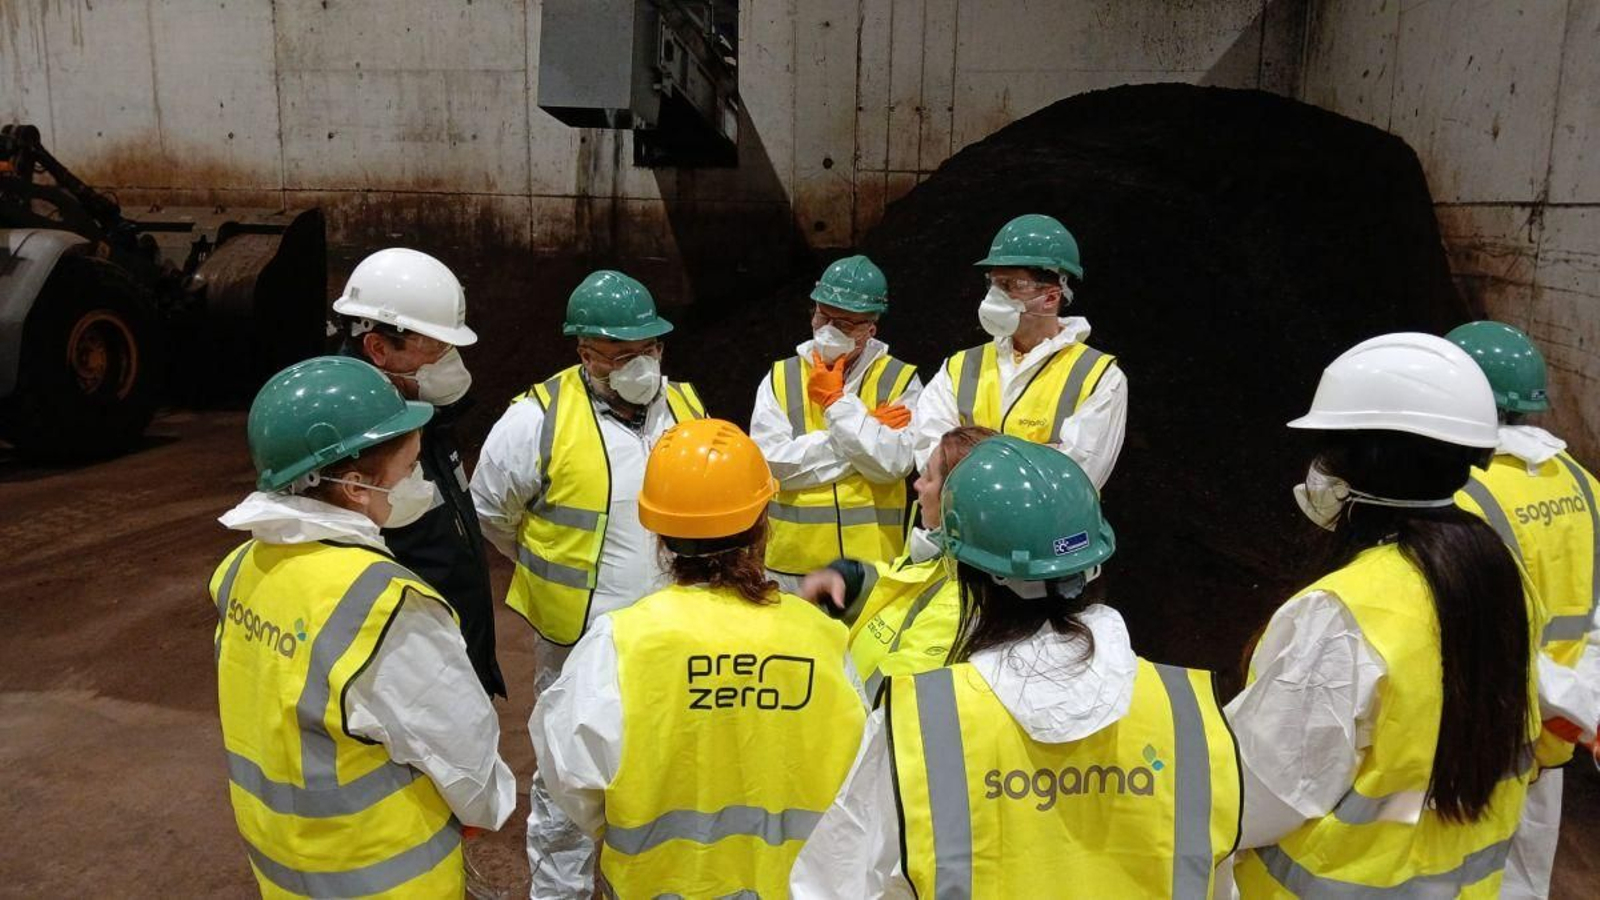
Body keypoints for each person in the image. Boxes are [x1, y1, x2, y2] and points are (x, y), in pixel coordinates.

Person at [793, 435, 1241, 898]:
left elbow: (832, 883)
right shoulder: (1191, 714)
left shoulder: (923, 723)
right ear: (1095, 565)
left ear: (963, 571)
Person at [1227, 333, 1540, 897]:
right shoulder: (1501, 573)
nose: (1318, 467)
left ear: (1370, 459)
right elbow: (1418, 779)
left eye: (1331, 448)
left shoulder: (1343, 613)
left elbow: (1260, 798)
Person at [210, 356, 515, 897]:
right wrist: (490, 803)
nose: (413, 484)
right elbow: (464, 759)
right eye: (406, 470)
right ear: (353, 486)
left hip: (287, 868)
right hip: (390, 876)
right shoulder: (383, 606)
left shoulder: (239, 572)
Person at [532, 418, 866, 897]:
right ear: (762, 523)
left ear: (659, 535)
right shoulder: (823, 638)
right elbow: (861, 779)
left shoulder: (621, 643)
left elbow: (572, 783)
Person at [468, 268, 706, 897]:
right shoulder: (535, 421)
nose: (642, 365)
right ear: (585, 353)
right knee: (567, 782)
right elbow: (492, 514)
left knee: (663, 770)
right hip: (576, 639)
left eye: (650, 349)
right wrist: (554, 567)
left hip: (671, 637)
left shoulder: (686, 407)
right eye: (623, 355)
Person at [1446, 320, 1600, 899]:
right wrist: (1577, 708)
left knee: (1453, 877)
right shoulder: (1585, 485)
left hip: (1474, 741)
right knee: (1522, 882)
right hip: (1550, 742)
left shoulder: (1461, 494)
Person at [332, 247, 504, 698]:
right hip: (410, 684)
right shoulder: (351, 451)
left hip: (455, 667)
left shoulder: (427, 417)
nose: (450, 361)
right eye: (436, 347)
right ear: (378, 348)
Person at [912, 214, 1126, 489]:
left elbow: (1073, 479)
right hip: (965, 529)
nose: (994, 297)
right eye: (993, 283)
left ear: (1051, 296)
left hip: (1047, 532)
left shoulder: (1099, 376)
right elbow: (931, 458)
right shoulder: (960, 366)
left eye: (1012, 285)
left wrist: (966, 454)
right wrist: (1039, 454)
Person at [751, 255, 922, 590]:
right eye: (822, 316)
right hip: (792, 568)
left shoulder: (899, 380)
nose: (828, 330)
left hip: (873, 569)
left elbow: (894, 463)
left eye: (844, 324)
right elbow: (773, 465)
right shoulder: (780, 377)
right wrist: (865, 431)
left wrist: (836, 403)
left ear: (869, 329)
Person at [800, 424, 994, 704]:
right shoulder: (948, 555)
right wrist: (851, 579)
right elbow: (906, 583)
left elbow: (891, 703)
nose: (917, 485)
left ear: (954, 501)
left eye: (927, 476)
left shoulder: (959, 604)